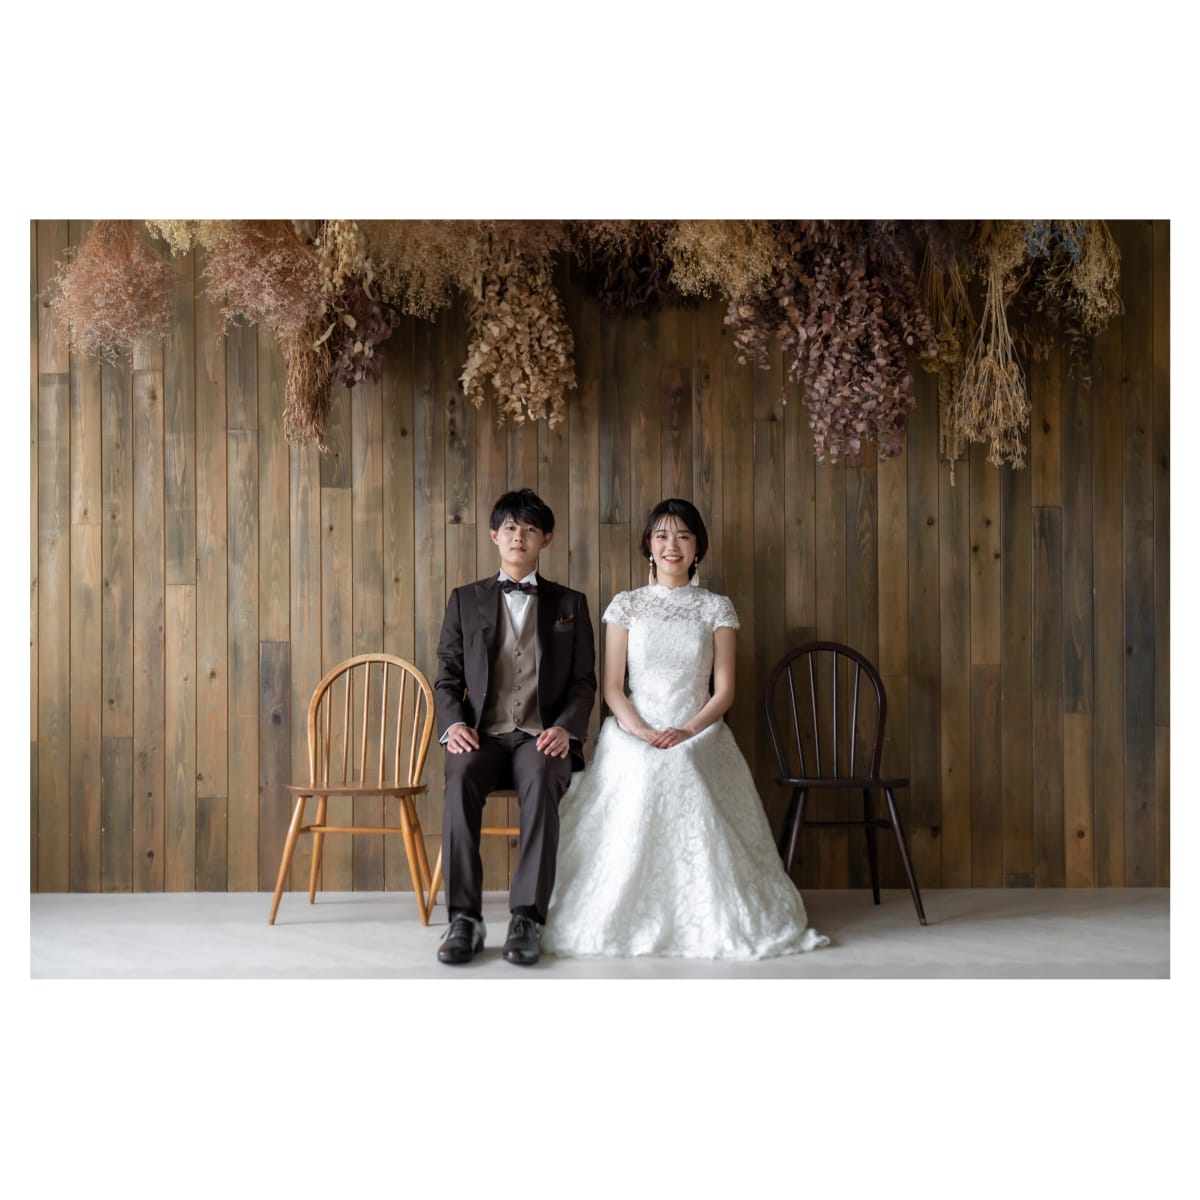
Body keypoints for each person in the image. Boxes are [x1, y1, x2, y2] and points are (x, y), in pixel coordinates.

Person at [541, 499, 829, 959]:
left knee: (682, 765)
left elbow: (724, 692)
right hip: (634, 729)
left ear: (698, 547)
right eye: (662, 536)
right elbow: (613, 688)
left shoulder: (716, 608)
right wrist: (641, 731)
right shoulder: (627, 606)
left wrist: (686, 730)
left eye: (683, 536)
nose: (671, 545)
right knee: (644, 767)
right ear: (648, 546)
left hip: (698, 728)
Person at [433, 489, 597, 966]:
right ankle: (464, 918)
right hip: (482, 735)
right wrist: (454, 725)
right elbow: (447, 677)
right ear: (494, 536)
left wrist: (566, 728)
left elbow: (583, 682)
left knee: (544, 776)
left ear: (546, 538)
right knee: (460, 775)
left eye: (529, 529)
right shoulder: (464, 600)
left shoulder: (571, 603)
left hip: (540, 736)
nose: (518, 536)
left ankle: (527, 918)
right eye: (509, 528)